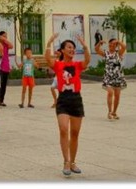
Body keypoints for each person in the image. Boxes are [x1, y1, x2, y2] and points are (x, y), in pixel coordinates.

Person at [45, 32, 90, 177]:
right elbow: (48, 60)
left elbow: (87, 61)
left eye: (73, 47)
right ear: (63, 50)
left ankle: (73, 162)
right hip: (63, 100)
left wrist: (85, 47)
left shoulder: (77, 65)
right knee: (64, 129)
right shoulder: (58, 65)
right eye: (69, 47)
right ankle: (66, 161)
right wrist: (48, 44)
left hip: (76, 100)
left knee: (75, 133)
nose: (72, 49)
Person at [96, 38, 127, 119]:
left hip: (118, 77)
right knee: (110, 93)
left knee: (117, 95)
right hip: (108, 77)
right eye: (110, 45)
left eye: (113, 45)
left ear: (116, 46)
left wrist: (118, 42)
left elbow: (124, 47)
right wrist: (99, 43)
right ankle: (109, 112)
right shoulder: (106, 53)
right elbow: (96, 50)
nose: (111, 46)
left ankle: (114, 112)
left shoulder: (118, 53)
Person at [0, 30, 15, 106]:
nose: (5, 38)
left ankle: (1, 100)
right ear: (0, 36)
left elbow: (11, 46)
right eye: (4, 36)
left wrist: (4, 39)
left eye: (6, 37)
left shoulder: (6, 44)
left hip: (6, 67)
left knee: (4, 85)